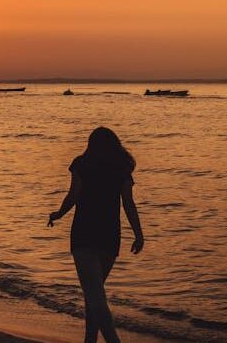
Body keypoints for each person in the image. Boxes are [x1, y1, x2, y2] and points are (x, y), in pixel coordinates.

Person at [47, 127, 144, 343]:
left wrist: (58, 214)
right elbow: (128, 204)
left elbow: (72, 196)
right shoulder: (121, 168)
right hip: (110, 236)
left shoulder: (82, 164)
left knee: (95, 296)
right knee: (94, 294)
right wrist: (139, 234)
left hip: (84, 234)